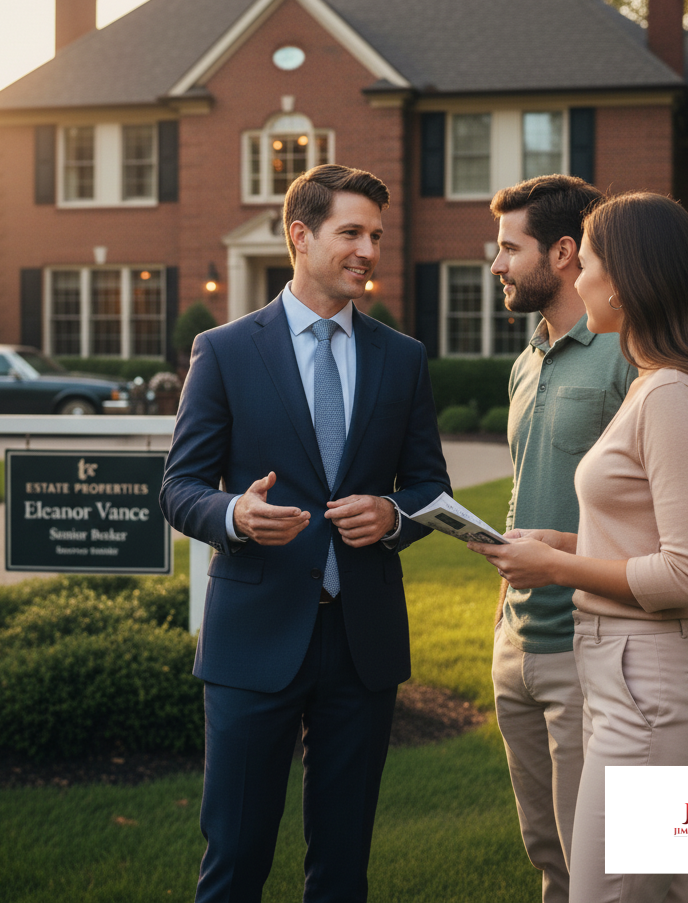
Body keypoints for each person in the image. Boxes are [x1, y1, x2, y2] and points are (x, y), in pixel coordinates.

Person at [159, 163, 451, 903]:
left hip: (363, 642)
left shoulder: (403, 357)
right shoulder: (224, 350)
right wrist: (233, 516)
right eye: (351, 232)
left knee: (343, 864)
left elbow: (430, 486)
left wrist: (393, 516)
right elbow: (179, 487)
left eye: (376, 236)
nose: (369, 251)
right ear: (300, 235)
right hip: (253, 638)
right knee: (235, 857)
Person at [472, 192, 688, 903]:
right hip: (630, 683)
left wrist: (556, 565)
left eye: (592, 260)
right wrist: (563, 540)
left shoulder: (668, 393)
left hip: (652, 691)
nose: (584, 276)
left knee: (607, 893)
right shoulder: (655, 387)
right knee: (640, 891)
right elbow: (651, 532)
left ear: (628, 279)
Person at [485, 174, 635, 903]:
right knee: (549, 852)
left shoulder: (630, 357)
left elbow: (662, 522)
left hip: (593, 646)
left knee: (605, 864)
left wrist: (560, 556)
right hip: (516, 643)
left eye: (510, 248)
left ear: (565, 251)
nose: (497, 264)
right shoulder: (526, 360)